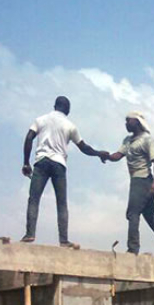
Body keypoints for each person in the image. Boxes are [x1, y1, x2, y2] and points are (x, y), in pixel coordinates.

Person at [21, 96, 107, 246]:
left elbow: (29, 138)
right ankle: (63, 240)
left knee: (34, 199)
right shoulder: (70, 126)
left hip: (41, 162)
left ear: (54, 106)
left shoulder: (41, 119)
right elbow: (84, 147)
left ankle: (30, 234)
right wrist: (99, 153)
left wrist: (26, 162)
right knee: (61, 203)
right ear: (67, 109)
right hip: (59, 164)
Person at [102, 111, 154, 258]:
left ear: (137, 122)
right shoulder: (128, 140)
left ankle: (133, 249)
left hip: (143, 180)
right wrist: (106, 156)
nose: (126, 123)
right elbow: (118, 156)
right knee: (150, 215)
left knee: (132, 213)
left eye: (129, 121)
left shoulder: (147, 140)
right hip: (136, 180)